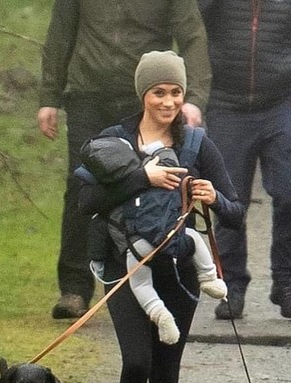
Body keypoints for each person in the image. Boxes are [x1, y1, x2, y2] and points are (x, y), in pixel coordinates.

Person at [78, 51, 244, 383]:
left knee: (166, 372)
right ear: (143, 95)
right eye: (159, 92)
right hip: (125, 267)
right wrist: (141, 176)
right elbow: (85, 201)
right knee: (137, 361)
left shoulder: (197, 146)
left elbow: (235, 211)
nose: (168, 102)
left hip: (178, 270)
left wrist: (213, 197)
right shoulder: (113, 141)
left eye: (175, 92)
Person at [37, 0, 212, 319]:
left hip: (145, 98)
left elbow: (192, 36)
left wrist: (193, 98)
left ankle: (158, 278)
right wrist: (49, 96)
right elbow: (61, 34)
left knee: (158, 185)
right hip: (88, 95)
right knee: (81, 186)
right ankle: (74, 288)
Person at [198, 0, 291, 320]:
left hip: (280, 107)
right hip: (225, 106)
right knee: (228, 199)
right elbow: (193, 29)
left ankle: (287, 282)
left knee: (290, 191)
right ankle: (232, 286)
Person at [77, 132, 228, 345]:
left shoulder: (107, 181)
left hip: (136, 247)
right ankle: (209, 278)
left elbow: (96, 222)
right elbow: (167, 157)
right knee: (194, 237)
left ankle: (158, 313)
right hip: (171, 236)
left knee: (141, 285)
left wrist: (99, 263)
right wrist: (155, 153)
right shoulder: (154, 162)